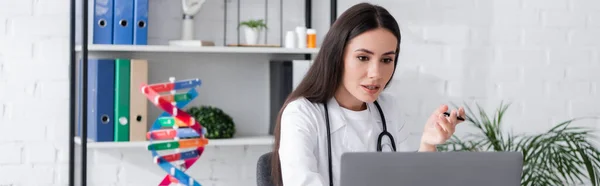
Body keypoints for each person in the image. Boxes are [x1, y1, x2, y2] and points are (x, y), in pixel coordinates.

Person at [269, 2, 466, 186]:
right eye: (363, 57)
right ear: (337, 56)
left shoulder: (389, 108)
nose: (376, 74)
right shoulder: (302, 113)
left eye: (386, 60)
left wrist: (427, 143)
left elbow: (411, 180)